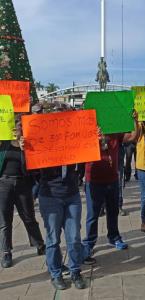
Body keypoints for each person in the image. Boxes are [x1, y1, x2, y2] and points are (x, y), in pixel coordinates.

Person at [32, 104, 89, 290]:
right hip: (50, 196)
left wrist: (94, 137)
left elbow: (90, 152)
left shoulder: (74, 139)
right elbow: (28, 167)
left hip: (71, 194)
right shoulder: (41, 140)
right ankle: (55, 273)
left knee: (74, 238)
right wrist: (26, 146)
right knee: (53, 239)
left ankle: (75, 271)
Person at [82, 129, 137, 260]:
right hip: (93, 181)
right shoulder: (88, 134)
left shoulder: (115, 133)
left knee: (113, 211)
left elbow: (132, 136)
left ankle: (114, 237)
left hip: (112, 179)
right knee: (92, 215)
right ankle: (89, 243)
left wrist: (134, 120)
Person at [0, 117, 45, 269]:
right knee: (5, 221)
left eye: (19, 126)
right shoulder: (3, 144)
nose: (16, 129)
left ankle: (39, 243)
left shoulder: (26, 144)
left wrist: (24, 149)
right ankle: (6, 252)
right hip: (4, 184)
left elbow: (32, 168)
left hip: (23, 184)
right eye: (14, 126)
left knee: (29, 217)